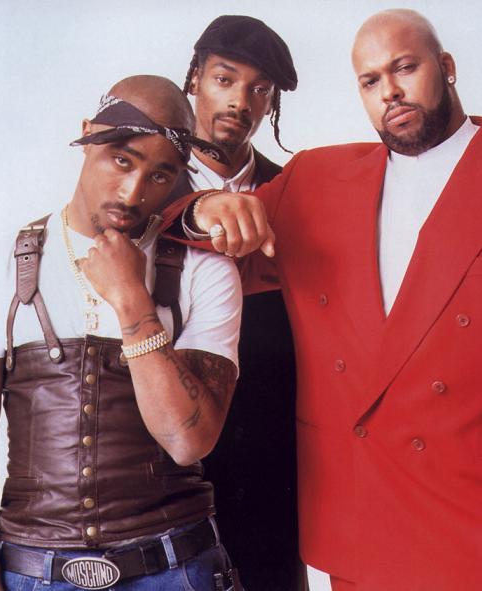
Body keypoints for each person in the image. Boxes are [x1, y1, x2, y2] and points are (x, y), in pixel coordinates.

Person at [172, 9, 482, 591]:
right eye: (370, 80)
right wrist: (203, 206)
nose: (389, 91)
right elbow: (192, 234)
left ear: (446, 67)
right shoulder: (316, 179)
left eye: (405, 68)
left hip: (466, 524)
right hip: (354, 526)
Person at [0, 75, 245, 590]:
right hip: (33, 571)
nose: (134, 193)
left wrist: (132, 301)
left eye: (161, 175)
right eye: (122, 160)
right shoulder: (7, 261)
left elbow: (188, 440)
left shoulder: (205, 270)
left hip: (175, 567)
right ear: (88, 134)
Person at [166, 15, 305, 591]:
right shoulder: (146, 185)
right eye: (225, 79)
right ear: (195, 77)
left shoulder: (293, 191)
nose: (241, 101)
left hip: (275, 473)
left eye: (259, 89)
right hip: (166, 470)